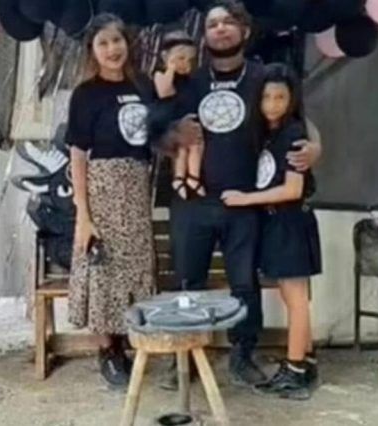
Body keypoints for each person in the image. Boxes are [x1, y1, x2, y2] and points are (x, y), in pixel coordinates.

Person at [150, 0, 322, 387]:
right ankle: (184, 359)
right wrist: (174, 134)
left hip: (243, 203)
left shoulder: (263, 77)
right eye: (212, 23)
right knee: (189, 282)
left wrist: (316, 149)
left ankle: (243, 355)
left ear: (245, 31)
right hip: (192, 203)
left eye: (229, 22)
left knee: (244, 284)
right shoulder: (188, 80)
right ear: (204, 35)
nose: (220, 28)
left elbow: (300, 122)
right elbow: (155, 134)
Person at [222, 63, 322, 400]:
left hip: (290, 222)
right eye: (266, 97)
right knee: (292, 297)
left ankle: (295, 370)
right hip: (277, 223)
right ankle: (305, 361)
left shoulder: (293, 134)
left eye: (280, 97)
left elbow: (293, 189)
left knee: (296, 299)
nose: (272, 104)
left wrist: (244, 199)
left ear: (292, 99)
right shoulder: (270, 133)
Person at [66, 13, 155, 388]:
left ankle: (132, 340)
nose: (112, 49)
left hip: (136, 187)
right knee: (101, 266)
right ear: (93, 51)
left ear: (126, 44)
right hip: (101, 188)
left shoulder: (143, 86)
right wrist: (83, 215)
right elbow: (78, 155)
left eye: (116, 40)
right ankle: (108, 351)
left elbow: (158, 134)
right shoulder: (85, 94)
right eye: (103, 43)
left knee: (134, 267)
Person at [152, 28, 205, 199]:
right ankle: (179, 177)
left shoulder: (190, 81)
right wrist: (170, 68)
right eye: (180, 58)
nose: (185, 64)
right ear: (165, 57)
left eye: (190, 60)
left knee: (196, 146)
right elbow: (164, 91)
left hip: (190, 118)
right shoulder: (160, 75)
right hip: (173, 122)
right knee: (181, 149)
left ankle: (193, 177)